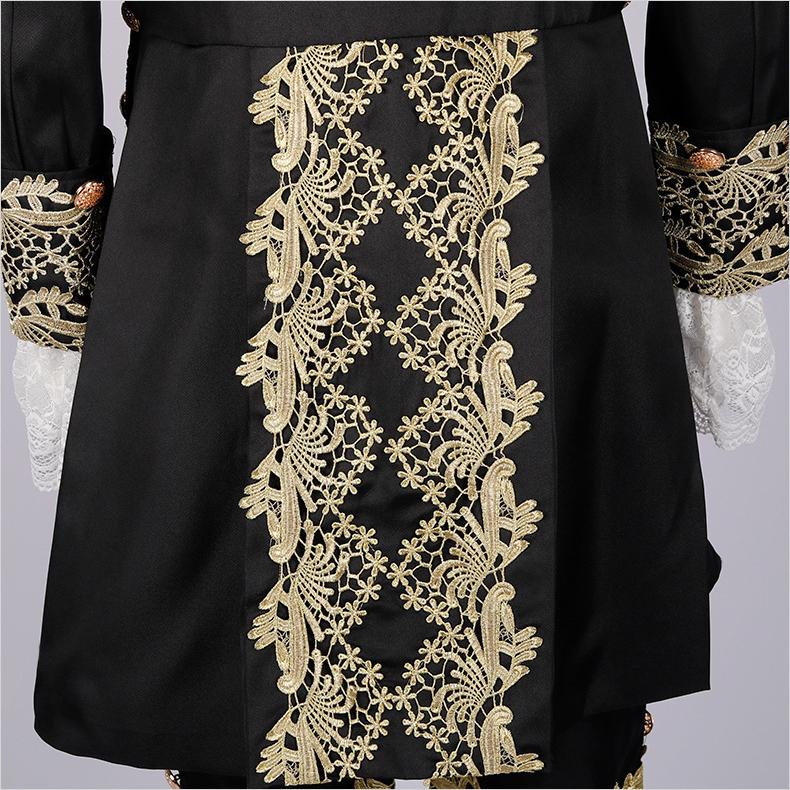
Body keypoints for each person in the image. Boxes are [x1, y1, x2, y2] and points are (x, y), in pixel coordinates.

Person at [1, 2, 787, 788]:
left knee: (277, 693)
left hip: (237, 136)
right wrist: (719, 177)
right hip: (531, 133)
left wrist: (53, 235)